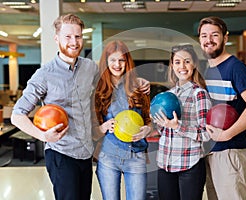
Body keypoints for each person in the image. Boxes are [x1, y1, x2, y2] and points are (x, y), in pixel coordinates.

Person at [10, 14, 150, 200]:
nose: (74, 42)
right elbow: (17, 115)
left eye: (78, 36)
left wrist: (136, 80)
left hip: (85, 154)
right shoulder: (44, 75)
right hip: (61, 152)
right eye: (67, 36)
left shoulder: (90, 68)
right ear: (57, 38)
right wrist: (43, 136)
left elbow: (114, 77)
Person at [197, 16, 246, 200]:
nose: (208, 40)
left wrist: (227, 134)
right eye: (204, 35)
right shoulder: (208, 69)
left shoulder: (235, 67)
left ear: (225, 38)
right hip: (211, 151)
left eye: (214, 35)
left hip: (229, 151)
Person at [151, 44, 212, 200]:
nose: (182, 66)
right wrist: (158, 123)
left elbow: (206, 134)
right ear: (172, 65)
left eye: (187, 61)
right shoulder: (168, 94)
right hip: (165, 163)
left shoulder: (199, 94)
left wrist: (178, 126)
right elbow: (163, 131)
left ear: (194, 64)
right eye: (177, 62)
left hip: (189, 165)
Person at [93, 40, 152, 200]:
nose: (117, 64)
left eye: (121, 60)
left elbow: (148, 120)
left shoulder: (139, 87)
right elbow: (91, 129)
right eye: (112, 60)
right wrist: (103, 127)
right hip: (108, 157)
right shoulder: (98, 90)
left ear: (127, 62)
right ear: (106, 62)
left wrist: (148, 129)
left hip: (135, 155)